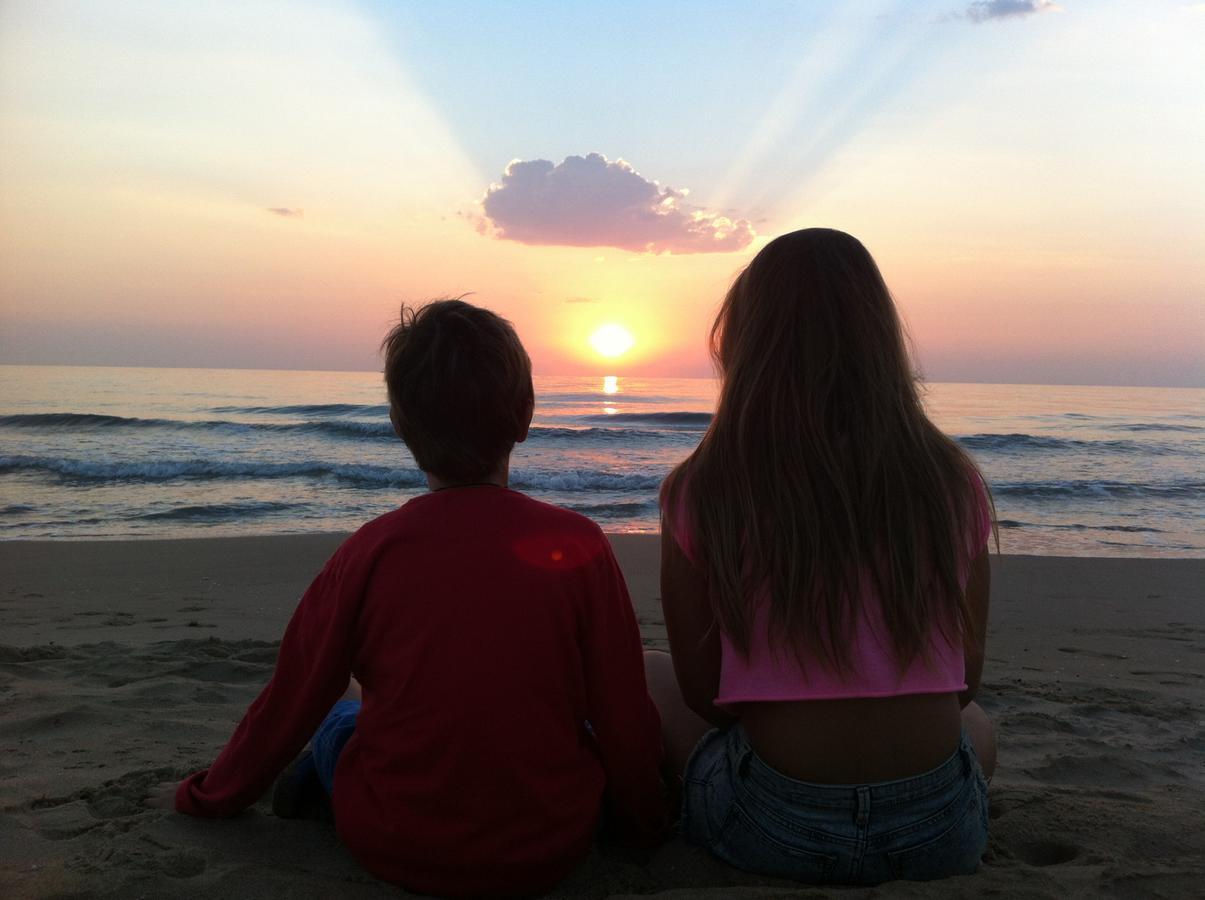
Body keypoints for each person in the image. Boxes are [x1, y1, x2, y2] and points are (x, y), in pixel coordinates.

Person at [145, 299, 667, 897]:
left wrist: (206, 796)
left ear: (398, 422)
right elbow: (624, 712)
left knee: (341, 707)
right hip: (548, 848)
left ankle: (322, 783)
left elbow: (290, 700)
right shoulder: (580, 547)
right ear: (525, 417)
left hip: (390, 843)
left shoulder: (368, 553)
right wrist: (644, 825)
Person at [646, 228, 997, 885]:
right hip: (939, 830)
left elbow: (704, 696)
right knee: (975, 725)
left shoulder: (705, 485)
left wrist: (789, 696)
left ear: (747, 339)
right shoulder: (950, 480)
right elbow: (963, 682)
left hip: (775, 826)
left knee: (646, 673)